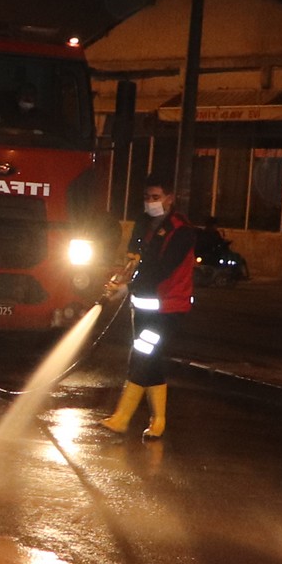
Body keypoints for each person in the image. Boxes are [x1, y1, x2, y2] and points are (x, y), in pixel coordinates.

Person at [100, 178, 194, 440]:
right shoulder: (144, 224)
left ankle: (122, 418)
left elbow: (161, 269)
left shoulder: (181, 231)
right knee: (151, 359)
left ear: (170, 198)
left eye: (156, 196)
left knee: (142, 357)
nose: (150, 202)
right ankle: (159, 421)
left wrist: (127, 288)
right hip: (142, 306)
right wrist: (122, 277)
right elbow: (134, 258)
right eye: (147, 196)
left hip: (167, 310)